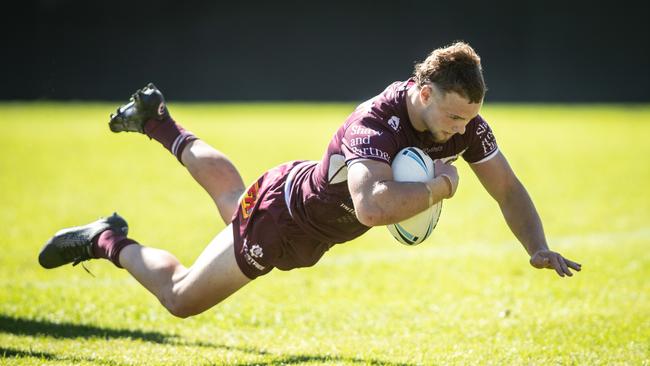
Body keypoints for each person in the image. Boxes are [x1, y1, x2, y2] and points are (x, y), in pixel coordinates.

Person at [39, 41, 581, 318]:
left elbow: (507, 187)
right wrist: (439, 187)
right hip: (284, 222)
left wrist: (537, 245)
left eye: (469, 118)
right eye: (455, 116)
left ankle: (159, 122)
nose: (463, 129)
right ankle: (108, 238)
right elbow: (370, 205)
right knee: (181, 298)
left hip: (299, 203)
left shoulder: (462, 125)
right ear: (422, 91)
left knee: (233, 202)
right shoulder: (375, 121)